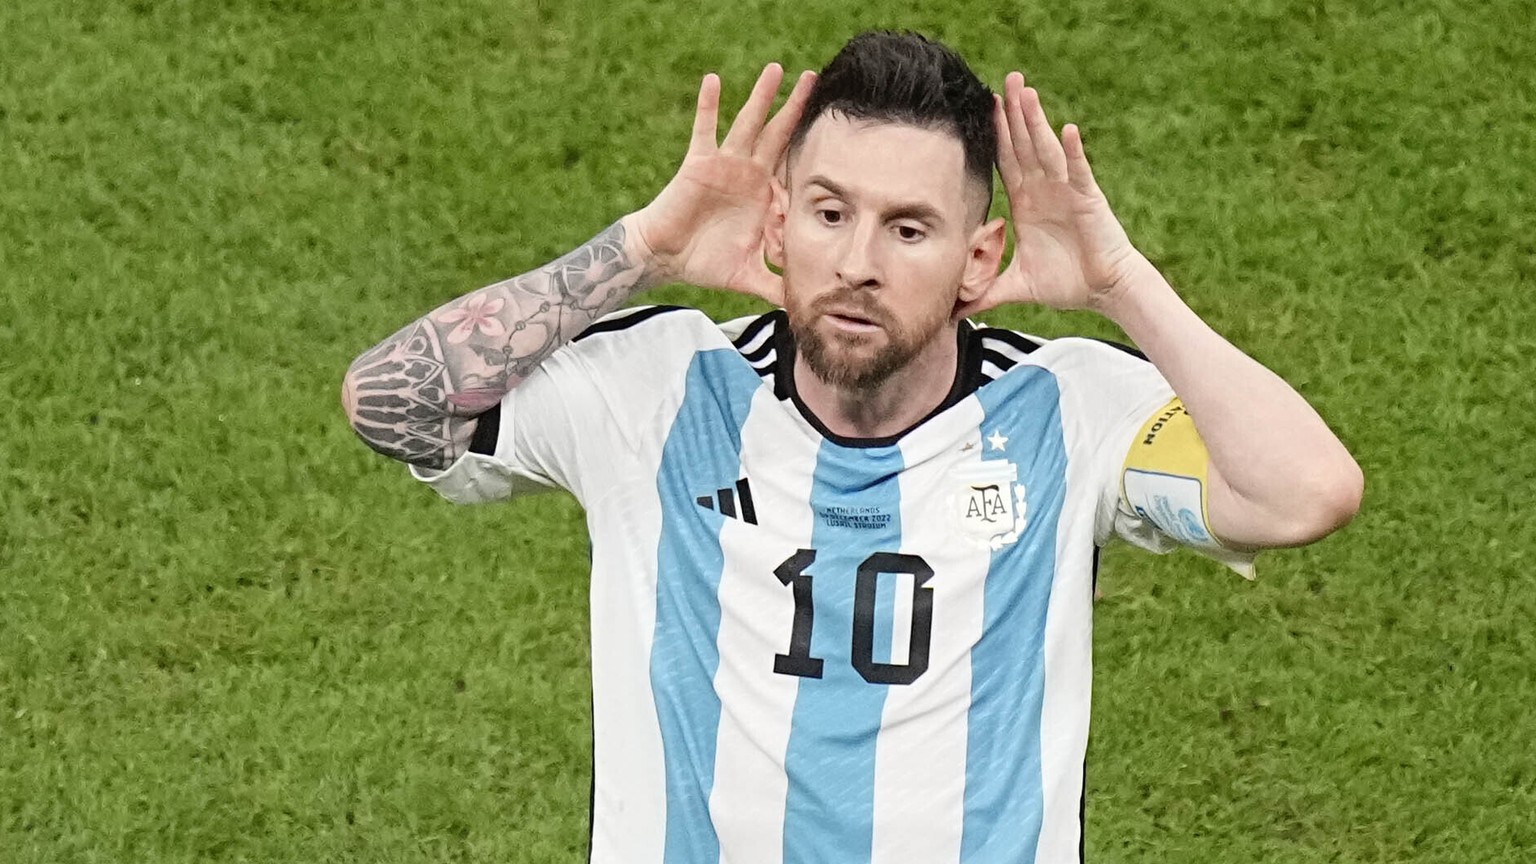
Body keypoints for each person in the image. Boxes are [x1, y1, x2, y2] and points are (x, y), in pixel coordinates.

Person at [342, 31, 1362, 864]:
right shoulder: (659, 390)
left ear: (979, 259)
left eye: (910, 231)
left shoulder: (1069, 411)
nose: (860, 263)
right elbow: (389, 401)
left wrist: (1119, 283)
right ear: (781, 224)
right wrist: (644, 249)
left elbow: (1303, 493)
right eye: (831, 214)